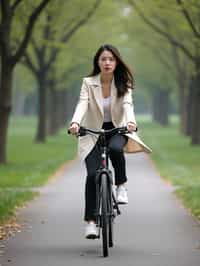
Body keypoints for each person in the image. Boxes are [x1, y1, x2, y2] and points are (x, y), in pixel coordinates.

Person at [69, 44, 151, 239]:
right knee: (91, 176)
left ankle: (120, 185)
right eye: (103, 59)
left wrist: (131, 122)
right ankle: (90, 222)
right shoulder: (88, 83)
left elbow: (127, 104)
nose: (107, 62)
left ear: (116, 62)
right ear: (98, 62)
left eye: (111, 59)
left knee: (115, 150)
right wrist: (74, 122)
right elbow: (82, 104)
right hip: (92, 132)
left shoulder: (124, 82)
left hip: (118, 129)